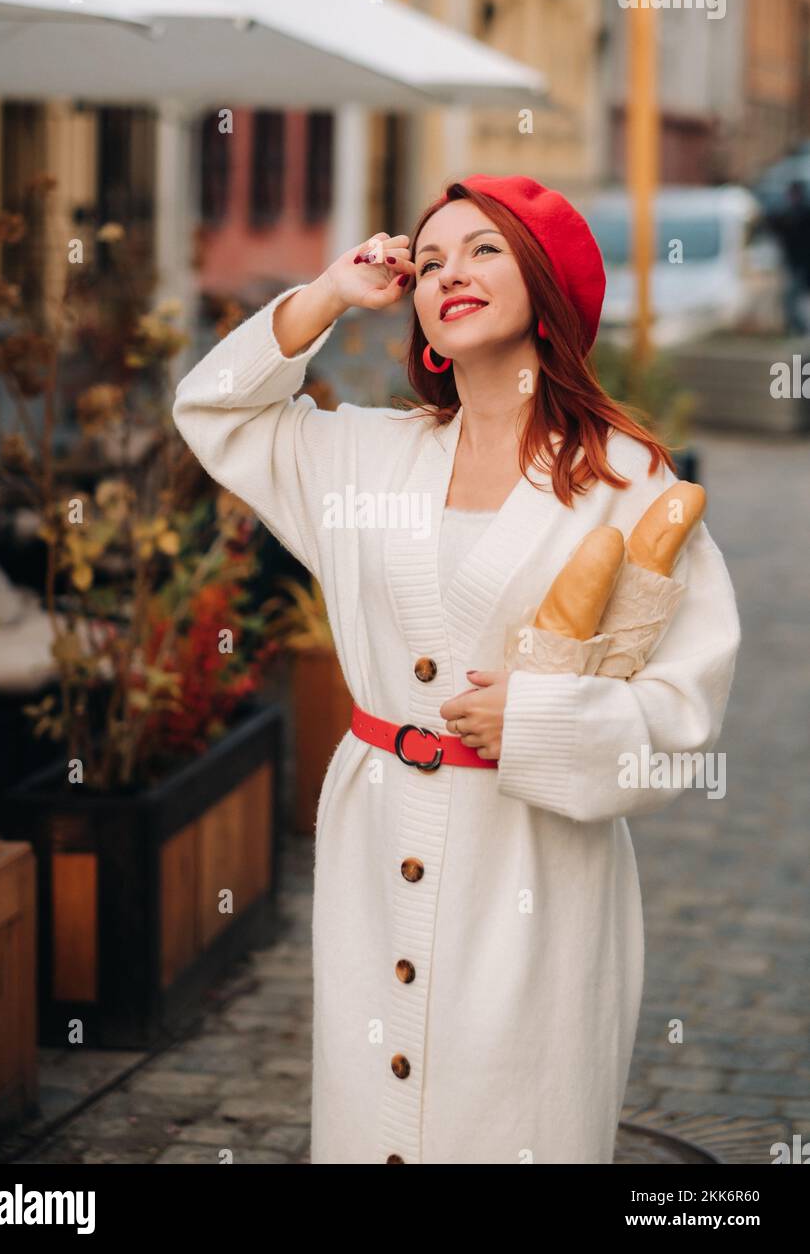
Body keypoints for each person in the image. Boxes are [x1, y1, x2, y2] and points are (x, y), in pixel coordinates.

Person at [172, 174, 741, 1165]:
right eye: (428, 259)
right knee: (370, 1120)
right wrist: (328, 293)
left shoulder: (627, 482)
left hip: (531, 870)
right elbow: (214, 410)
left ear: (547, 287)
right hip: (371, 841)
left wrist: (545, 720)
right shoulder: (365, 459)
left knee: (511, 1122)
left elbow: (680, 715)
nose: (448, 272)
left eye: (483, 249)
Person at [768, 179, 810, 336]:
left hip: (800, 264)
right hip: (795, 263)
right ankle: (797, 328)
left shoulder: (802, 213)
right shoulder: (793, 213)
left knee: (792, 298)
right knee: (792, 299)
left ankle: (798, 328)